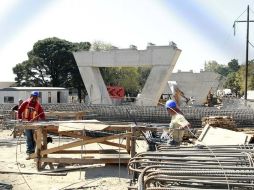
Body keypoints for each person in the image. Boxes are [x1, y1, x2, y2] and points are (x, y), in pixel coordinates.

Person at [18, 91, 45, 158]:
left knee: (34, 137)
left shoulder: (38, 105)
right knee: (29, 137)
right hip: (26, 123)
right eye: (33, 97)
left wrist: (43, 119)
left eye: (36, 97)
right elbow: (20, 110)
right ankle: (30, 152)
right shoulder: (26, 103)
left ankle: (33, 151)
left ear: (37, 98)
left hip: (34, 124)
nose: (34, 99)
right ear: (31, 96)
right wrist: (19, 118)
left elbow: (42, 114)